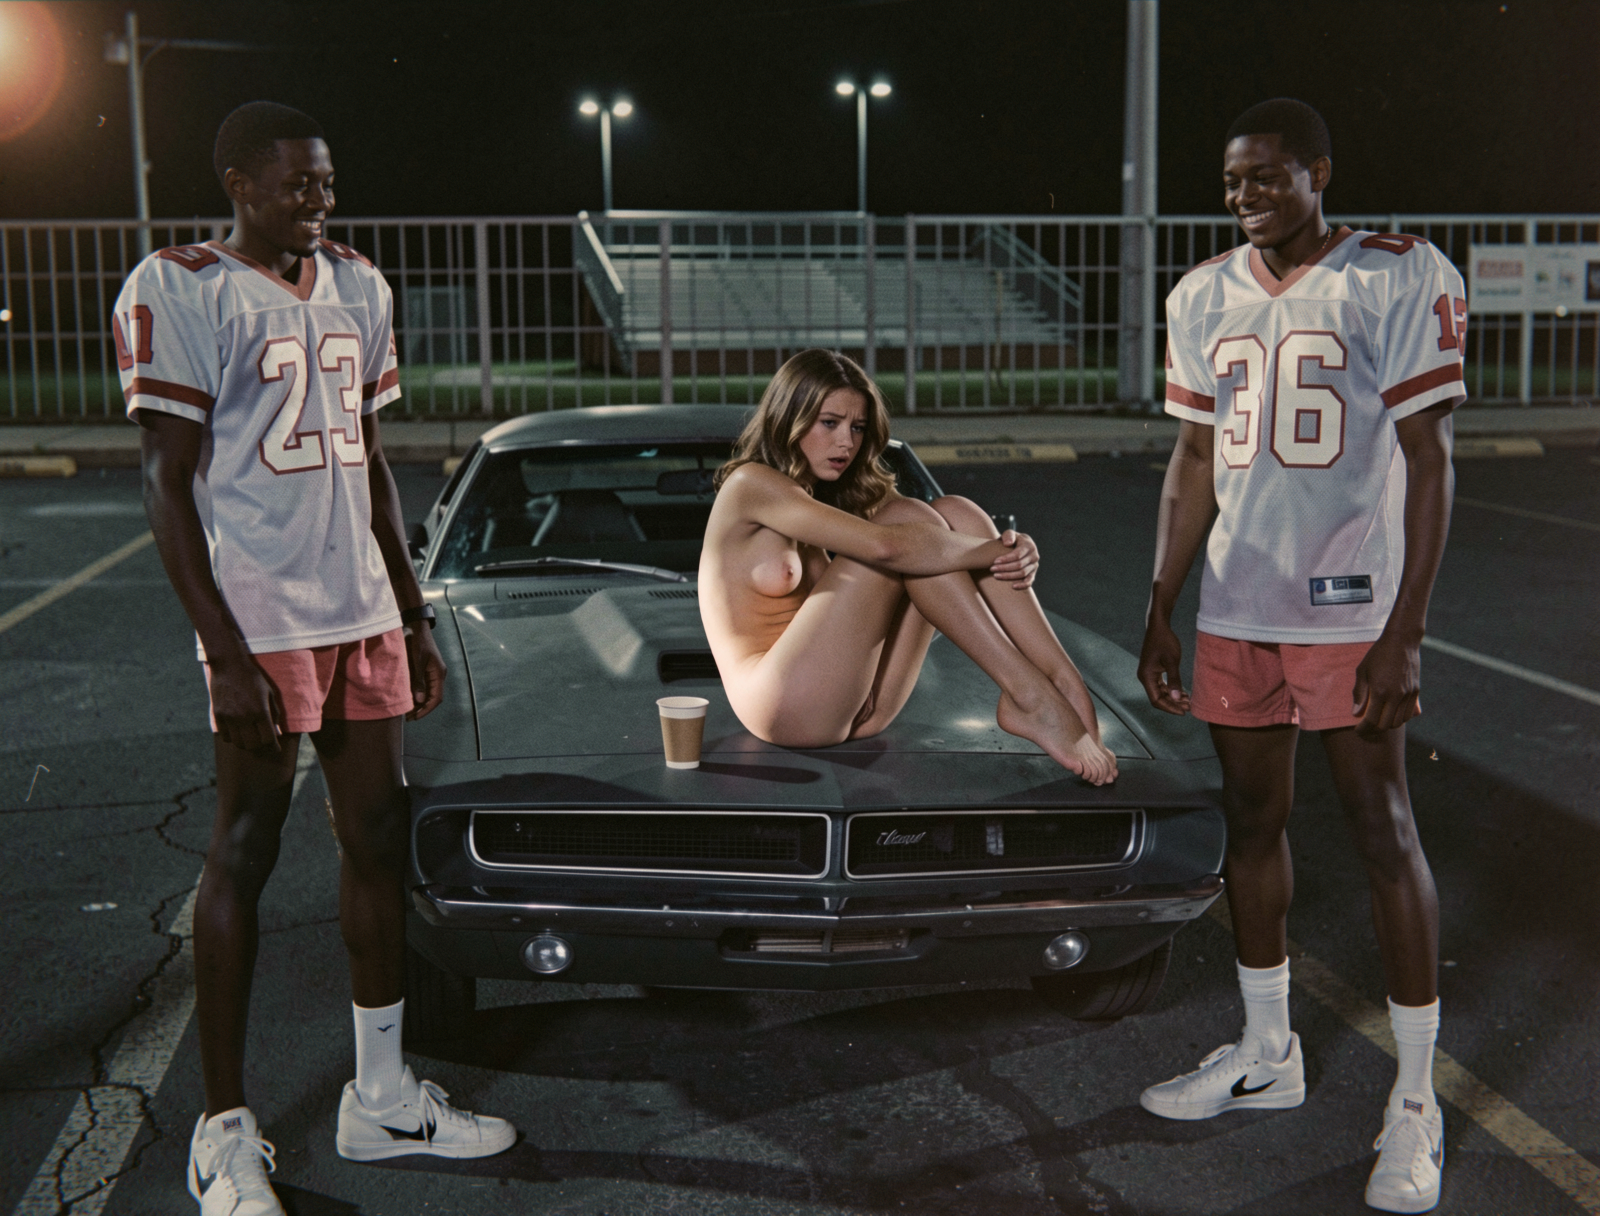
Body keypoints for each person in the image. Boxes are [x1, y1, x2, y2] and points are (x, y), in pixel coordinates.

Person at [118, 101, 514, 1216]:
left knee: (378, 838)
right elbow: (164, 480)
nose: (319, 199)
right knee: (244, 848)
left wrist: (411, 611)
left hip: (360, 609)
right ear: (238, 184)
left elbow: (371, 457)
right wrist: (222, 645)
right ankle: (223, 1133)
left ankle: (380, 1096)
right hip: (263, 617)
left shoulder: (358, 282)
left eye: (327, 181)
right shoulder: (181, 285)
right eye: (296, 183)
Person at [1135, 98, 1463, 1213]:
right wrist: (1161, 601)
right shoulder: (1201, 294)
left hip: (1350, 607)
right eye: (1233, 180)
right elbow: (1192, 458)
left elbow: (1430, 458)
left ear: (1320, 172)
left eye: (1268, 176)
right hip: (1237, 602)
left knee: (1380, 828)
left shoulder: (1393, 274)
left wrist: (1405, 629)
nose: (1246, 196)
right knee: (1251, 821)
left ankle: (1414, 1100)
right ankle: (1268, 1051)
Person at [699, 347, 1116, 784]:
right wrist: (992, 551)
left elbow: (932, 535)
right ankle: (1028, 694)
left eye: (857, 427)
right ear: (790, 418)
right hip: (781, 706)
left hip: (857, 703)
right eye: (830, 423)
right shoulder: (749, 484)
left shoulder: (823, 491)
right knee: (908, 524)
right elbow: (886, 546)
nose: (847, 443)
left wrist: (1010, 545)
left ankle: (1063, 681)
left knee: (955, 511)